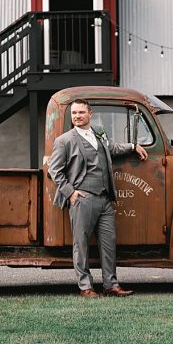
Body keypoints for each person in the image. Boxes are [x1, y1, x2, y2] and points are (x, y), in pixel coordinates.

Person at [48, 99, 148, 298]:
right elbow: (54, 170)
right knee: (81, 244)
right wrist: (71, 193)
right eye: (74, 113)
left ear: (90, 114)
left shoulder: (99, 133)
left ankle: (111, 285)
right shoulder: (65, 140)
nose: (77, 116)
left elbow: (112, 148)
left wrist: (133, 146)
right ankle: (85, 287)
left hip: (105, 199)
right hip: (82, 198)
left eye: (81, 112)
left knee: (108, 242)